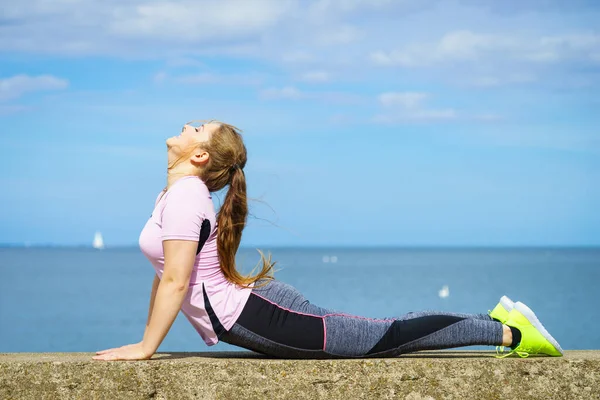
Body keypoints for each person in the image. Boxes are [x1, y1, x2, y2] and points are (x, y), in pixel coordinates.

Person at [92, 120, 563, 361]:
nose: (188, 123)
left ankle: (509, 330)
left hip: (261, 315)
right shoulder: (175, 196)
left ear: (198, 155)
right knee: (384, 331)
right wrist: (145, 339)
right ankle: (500, 322)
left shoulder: (186, 197)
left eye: (198, 127)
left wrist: (146, 347)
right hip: (256, 308)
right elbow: (167, 273)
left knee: (386, 337)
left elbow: (177, 279)